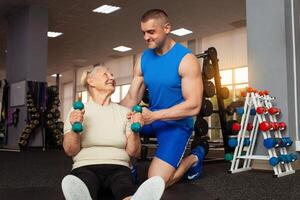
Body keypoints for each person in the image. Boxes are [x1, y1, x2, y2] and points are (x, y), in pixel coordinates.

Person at [120, 9, 204, 187]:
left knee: (156, 183)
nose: (146, 37)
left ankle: (194, 158)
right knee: (118, 125)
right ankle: (127, 167)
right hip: (151, 119)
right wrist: (107, 110)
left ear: (166, 28)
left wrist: (153, 116)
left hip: (176, 124)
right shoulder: (143, 59)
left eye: (151, 32)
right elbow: (131, 98)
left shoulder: (186, 59)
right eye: (143, 32)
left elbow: (194, 106)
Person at [61, 66, 165, 200]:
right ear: (91, 81)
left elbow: (134, 152)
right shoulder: (77, 112)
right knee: (86, 184)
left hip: (119, 167)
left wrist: (135, 130)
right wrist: (75, 130)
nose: (112, 78)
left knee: (124, 186)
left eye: (112, 75)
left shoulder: (125, 113)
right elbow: (70, 150)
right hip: (85, 166)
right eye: (106, 75)